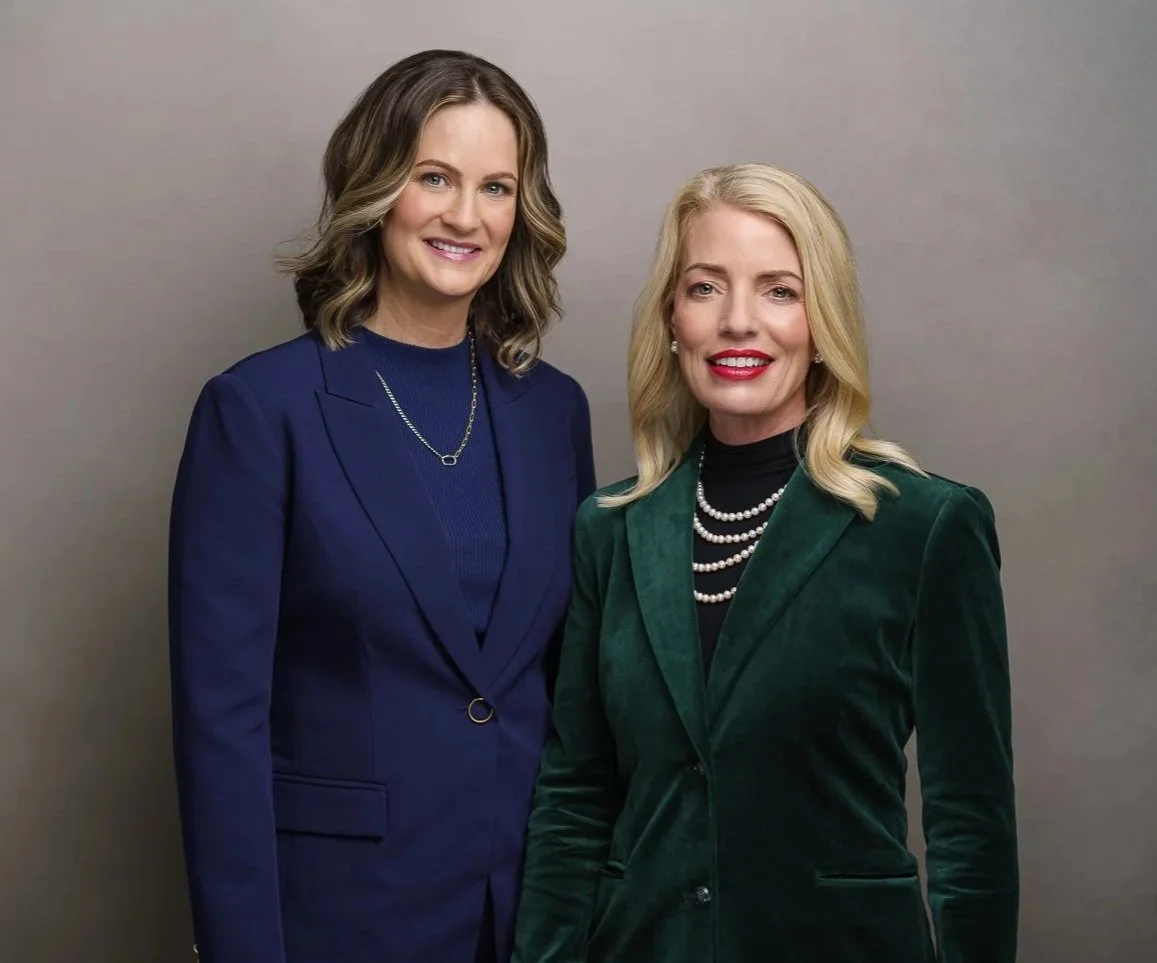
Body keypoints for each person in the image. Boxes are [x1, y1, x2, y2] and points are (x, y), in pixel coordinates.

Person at [511, 163, 1018, 962]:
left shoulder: (924, 527)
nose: (738, 321)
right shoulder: (610, 530)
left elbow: (970, 826)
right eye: (706, 287)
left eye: (779, 290)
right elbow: (576, 797)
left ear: (823, 322)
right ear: (672, 318)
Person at [168, 49, 596, 963]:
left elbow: (570, 694)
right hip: (342, 916)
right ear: (374, 186)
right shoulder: (260, 411)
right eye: (432, 177)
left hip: (532, 914)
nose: (463, 216)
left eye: (495, 187)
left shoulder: (553, 410)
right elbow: (221, 726)